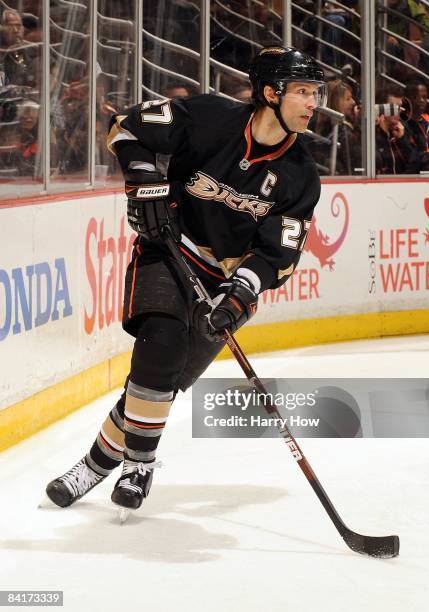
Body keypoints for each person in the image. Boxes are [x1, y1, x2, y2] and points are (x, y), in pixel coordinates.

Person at [45, 46, 326, 513]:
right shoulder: (210, 116)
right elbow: (126, 128)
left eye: (315, 93)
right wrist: (143, 180)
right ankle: (141, 464)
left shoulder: (301, 176)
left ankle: (94, 466)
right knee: (160, 346)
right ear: (271, 92)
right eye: (303, 92)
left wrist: (240, 294)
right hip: (169, 250)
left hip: (226, 283)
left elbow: (278, 254)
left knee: (160, 384)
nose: (314, 103)